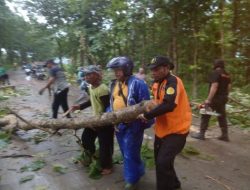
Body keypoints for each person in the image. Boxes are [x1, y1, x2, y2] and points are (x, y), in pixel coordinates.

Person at [138, 55, 192, 190]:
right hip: (162, 130)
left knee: (162, 163)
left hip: (177, 131)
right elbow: (158, 103)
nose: (153, 72)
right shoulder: (157, 83)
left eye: (156, 69)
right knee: (162, 162)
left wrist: (147, 115)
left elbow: (169, 105)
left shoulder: (173, 82)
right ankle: (174, 184)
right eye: (152, 69)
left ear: (166, 68)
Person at [106, 56, 153, 190]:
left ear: (126, 69)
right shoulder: (114, 84)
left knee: (129, 153)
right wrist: (110, 116)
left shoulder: (138, 83)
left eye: (118, 70)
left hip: (133, 125)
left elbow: (145, 105)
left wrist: (144, 118)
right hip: (118, 125)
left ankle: (131, 181)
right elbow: (112, 103)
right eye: (115, 70)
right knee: (125, 151)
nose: (116, 73)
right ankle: (139, 169)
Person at [70, 65, 114, 175]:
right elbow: (91, 100)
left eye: (89, 74)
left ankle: (107, 166)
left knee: (105, 145)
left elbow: (108, 108)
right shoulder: (91, 87)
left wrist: (100, 122)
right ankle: (93, 156)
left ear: (97, 75)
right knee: (86, 139)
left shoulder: (103, 89)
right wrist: (79, 106)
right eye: (85, 75)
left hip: (105, 122)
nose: (86, 77)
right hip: (94, 120)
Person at [191, 59, 231, 141]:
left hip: (215, 99)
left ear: (215, 65)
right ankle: (225, 135)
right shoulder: (227, 75)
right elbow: (229, 87)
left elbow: (214, 86)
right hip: (223, 98)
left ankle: (201, 134)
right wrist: (225, 96)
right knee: (222, 116)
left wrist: (208, 100)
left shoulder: (215, 73)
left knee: (205, 113)